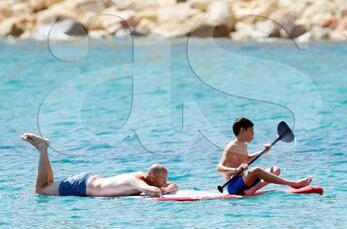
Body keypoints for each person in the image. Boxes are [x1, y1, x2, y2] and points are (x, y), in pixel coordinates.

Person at [21, 133, 178, 197]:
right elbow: (153, 191)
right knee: (40, 189)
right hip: (82, 186)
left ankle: (44, 150)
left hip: (88, 182)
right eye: (162, 179)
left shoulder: (146, 177)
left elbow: (174, 185)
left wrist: (165, 186)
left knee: (47, 184)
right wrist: (163, 189)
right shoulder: (135, 181)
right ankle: (43, 149)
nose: (165, 182)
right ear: (151, 176)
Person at [216, 117, 312, 195]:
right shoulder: (231, 147)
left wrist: (263, 151)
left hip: (245, 182)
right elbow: (219, 168)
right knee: (256, 170)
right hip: (233, 186)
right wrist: (236, 170)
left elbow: (247, 159)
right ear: (242, 130)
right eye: (251, 132)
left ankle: (252, 190)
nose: (253, 136)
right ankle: (293, 184)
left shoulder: (243, 145)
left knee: (275, 169)